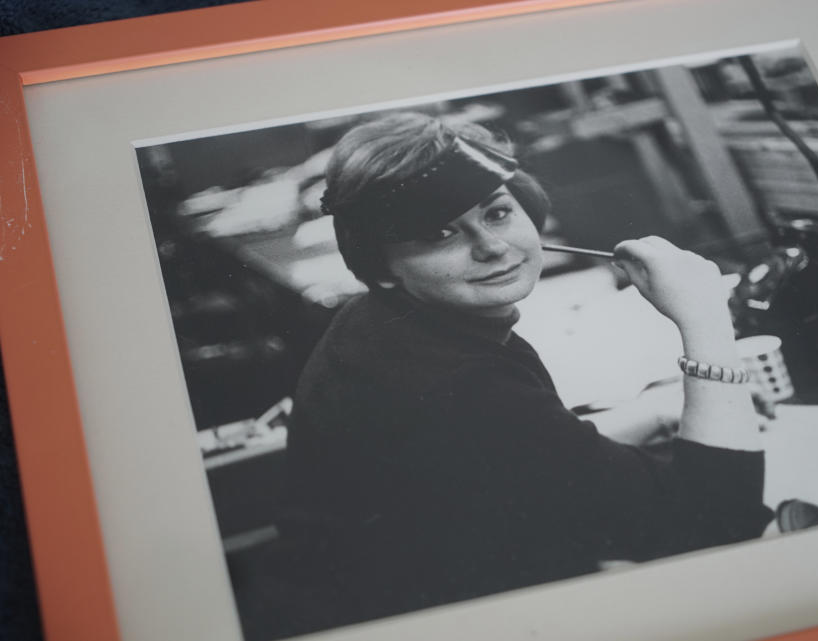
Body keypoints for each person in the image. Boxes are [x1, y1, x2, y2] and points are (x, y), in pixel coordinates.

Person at [275, 112, 774, 631]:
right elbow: (717, 523)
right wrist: (707, 319)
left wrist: (648, 412)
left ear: (529, 208)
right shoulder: (458, 383)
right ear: (380, 265)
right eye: (440, 233)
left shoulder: (380, 324)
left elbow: (509, 457)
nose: (491, 247)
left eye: (496, 213)